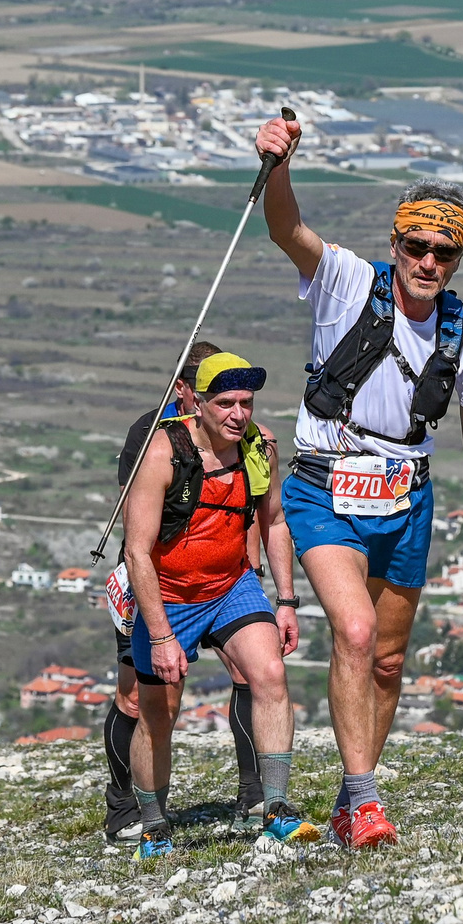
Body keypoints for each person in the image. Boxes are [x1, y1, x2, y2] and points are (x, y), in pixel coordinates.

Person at [254, 116, 463, 850]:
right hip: (326, 484)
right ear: (395, 242)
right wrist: (278, 165)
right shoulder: (346, 283)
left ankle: (346, 795)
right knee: (355, 632)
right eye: (415, 244)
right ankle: (367, 803)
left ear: (458, 256)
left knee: (389, 661)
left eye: (444, 250)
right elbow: (286, 226)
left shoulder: (462, 327)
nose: (427, 260)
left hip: (407, 494)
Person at [120, 350, 313, 858]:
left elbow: (273, 522)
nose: (238, 414)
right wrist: (161, 635)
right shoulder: (161, 453)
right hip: (168, 594)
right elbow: (138, 551)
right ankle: (153, 825)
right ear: (197, 402)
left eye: (246, 402)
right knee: (158, 714)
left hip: (231, 586)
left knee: (269, 674)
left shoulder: (258, 449)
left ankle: (275, 809)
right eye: (226, 402)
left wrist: (287, 601)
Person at [103, 338, 273, 844]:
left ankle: (254, 791)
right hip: (154, 579)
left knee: (252, 668)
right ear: (186, 389)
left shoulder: (245, 437)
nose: (230, 404)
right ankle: (125, 808)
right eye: (206, 387)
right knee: (146, 700)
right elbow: (140, 522)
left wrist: (254, 573)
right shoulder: (151, 436)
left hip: (225, 576)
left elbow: (250, 504)